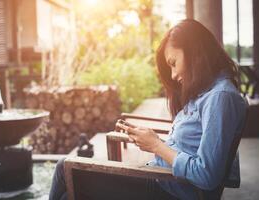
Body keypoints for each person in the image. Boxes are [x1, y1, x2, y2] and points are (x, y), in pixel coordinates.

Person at [49, 19, 247, 200]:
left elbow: (206, 175)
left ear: (195, 52)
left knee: (64, 169)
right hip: (161, 178)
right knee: (68, 194)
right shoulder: (207, 92)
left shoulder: (220, 97)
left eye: (173, 63)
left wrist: (156, 146)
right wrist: (153, 140)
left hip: (168, 190)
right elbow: (189, 148)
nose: (173, 74)